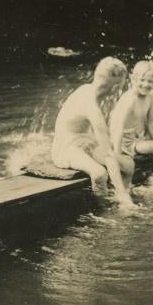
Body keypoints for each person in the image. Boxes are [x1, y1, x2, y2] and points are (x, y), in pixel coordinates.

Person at [51, 57, 137, 208]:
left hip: (84, 141)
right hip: (66, 149)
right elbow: (108, 154)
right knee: (99, 174)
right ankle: (104, 208)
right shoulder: (91, 106)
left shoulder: (87, 88)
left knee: (128, 165)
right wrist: (123, 195)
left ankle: (121, 197)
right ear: (115, 86)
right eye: (121, 87)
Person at [107, 61, 153, 194]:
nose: (146, 84)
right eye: (142, 80)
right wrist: (117, 156)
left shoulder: (150, 96)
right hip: (126, 142)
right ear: (133, 79)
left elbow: (150, 122)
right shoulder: (129, 100)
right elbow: (118, 127)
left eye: (150, 81)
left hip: (139, 138)